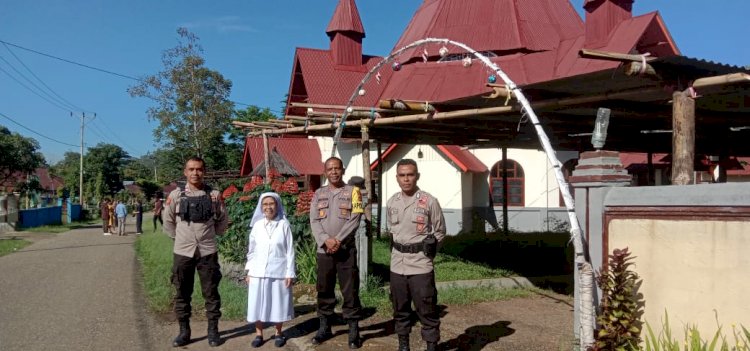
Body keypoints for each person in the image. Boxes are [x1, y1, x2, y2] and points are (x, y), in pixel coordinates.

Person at [163, 156, 228, 348]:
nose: (195, 173)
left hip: (207, 251)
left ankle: (213, 331)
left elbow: (223, 219)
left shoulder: (214, 195)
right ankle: (184, 332)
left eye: (199, 169)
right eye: (191, 169)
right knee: (182, 292)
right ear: (185, 172)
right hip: (183, 252)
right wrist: (181, 238)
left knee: (211, 292)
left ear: (204, 172)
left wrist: (212, 235)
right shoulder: (176, 195)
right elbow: (167, 221)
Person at [387, 159, 446, 351]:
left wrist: (430, 252)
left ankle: (431, 346)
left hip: (421, 264)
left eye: (410, 175)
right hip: (397, 264)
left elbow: (440, 231)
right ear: (397, 178)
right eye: (402, 175)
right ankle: (403, 346)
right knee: (400, 310)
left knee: (427, 309)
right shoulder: (392, 202)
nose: (406, 179)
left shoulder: (429, 201)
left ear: (417, 176)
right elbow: (392, 233)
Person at [309, 157, 364, 349]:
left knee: (350, 290)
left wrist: (338, 240)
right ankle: (325, 327)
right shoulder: (318, 194)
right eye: (330, 169)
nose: (334, 172)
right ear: (325, 172)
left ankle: (353, 331)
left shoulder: (354, 192)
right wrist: (326, 240)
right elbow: (314, 220)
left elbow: (355, 218)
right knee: (324, 289)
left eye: (337, 168)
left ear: (343, 170)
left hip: (345, 251)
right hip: (324, 251)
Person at [244, 192, 295, 348]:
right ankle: (259, 334)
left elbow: (290, 250)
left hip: (278, 271)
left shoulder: (284, 225)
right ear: (261, 207)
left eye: (271, 204)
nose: (268, 207)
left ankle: (278, 333)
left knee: (277, 303)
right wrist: (248, 270)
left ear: (277, 205)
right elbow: (251, 250)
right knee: (257, 303)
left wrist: (290, 273)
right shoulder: (257, 226)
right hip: (257, 271)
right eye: (265, 204)